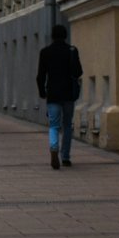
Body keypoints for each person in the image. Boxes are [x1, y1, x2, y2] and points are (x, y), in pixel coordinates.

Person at [37, 23, 84, 169]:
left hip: (53, 93)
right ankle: (65, 157)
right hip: (68, 93)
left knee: (54, 125)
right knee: (67, 125)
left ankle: (53, 148)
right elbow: (78, 72)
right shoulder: (72, 50)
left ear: (52, 36)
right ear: (65, 35)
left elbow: (40, 75)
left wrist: (42, 92)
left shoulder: (45, 52)